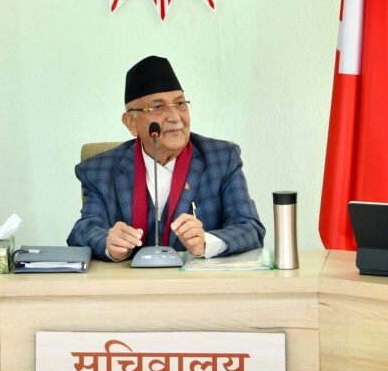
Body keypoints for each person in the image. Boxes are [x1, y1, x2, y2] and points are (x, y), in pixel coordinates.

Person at [67, 56, 265, 261]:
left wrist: (207, 242)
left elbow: (251, 228)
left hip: (194, 279)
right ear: (131, 123)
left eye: (180, 104)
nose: (175, 117)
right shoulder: (99, 169)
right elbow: (83, 230)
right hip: (130, 279)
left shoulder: (222, 158)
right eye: (158, 107)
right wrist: (109, 242)